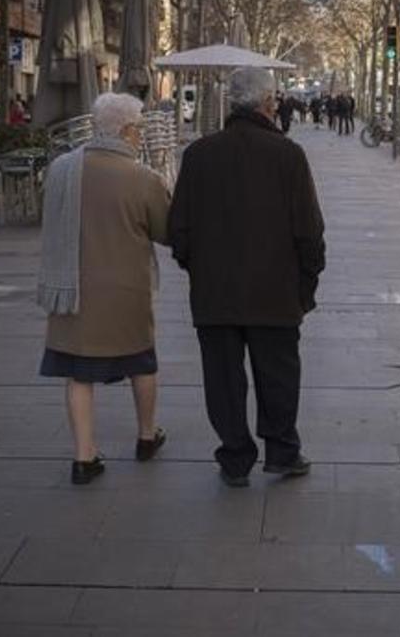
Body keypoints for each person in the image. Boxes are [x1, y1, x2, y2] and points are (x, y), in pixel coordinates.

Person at [168, 67, 326, 488]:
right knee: (278, 376)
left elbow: (178, 228)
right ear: (267, 102)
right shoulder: (287, 154)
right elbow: (309, 229)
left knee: (222, 381)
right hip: (275, 293)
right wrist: (306, 282)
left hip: (214, 294)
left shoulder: (198, 155)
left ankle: (235, 457)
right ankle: (281, 451)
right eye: (273, 98)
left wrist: (198, 268)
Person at [37, 92, 173, 485]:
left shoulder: (63, 168)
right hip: (127, 290)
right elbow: (166, 231)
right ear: (129, 130)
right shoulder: (143, 178)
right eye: (141, 127)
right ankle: (147, 437)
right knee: (141, 363)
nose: (141, 134)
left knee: (78, 374)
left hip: (73, 289)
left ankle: (84, 458)